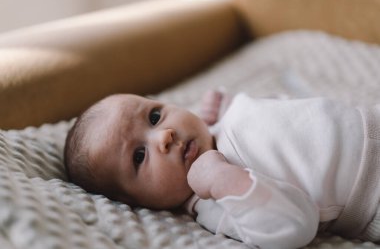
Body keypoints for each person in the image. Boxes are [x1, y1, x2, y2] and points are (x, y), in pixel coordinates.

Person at [64, 90, 380, 249]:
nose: (164, 136)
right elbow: (297, 226)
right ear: (134, 201)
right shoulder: (215, 203)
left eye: (155, 116)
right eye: (138, 156)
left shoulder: (217, 125)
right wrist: (223, 181)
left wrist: (226, 104)